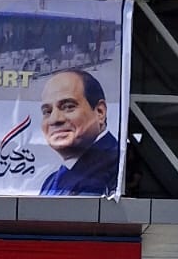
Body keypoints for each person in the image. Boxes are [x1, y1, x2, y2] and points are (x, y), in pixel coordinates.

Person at [36, 69, 121, 197]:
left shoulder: (117, 168)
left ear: (100, 112)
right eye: (47, 112)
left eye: (68, 107)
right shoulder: (51, 181)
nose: (54, 119)